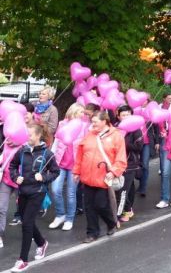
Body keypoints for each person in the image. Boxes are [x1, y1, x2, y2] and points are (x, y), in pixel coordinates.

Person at [9, 124, 59, 272]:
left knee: (26, 224)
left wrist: (43, 177)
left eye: (30, 135)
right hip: (23, 191)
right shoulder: (22, 151)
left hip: (37, 192)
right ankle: (42, 243)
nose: (27, 137)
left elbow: (56, 172)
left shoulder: (47, 154)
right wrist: (15, 177)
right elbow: (12, 166)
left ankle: (23, 260)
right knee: (27, 221)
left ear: (38, 136)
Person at [72, 111, 126, 243]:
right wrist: (76, 171)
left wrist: (113, 172)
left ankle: (111, 223)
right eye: (92, 121)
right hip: (88, 177)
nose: (92, 124)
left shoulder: (116, 136)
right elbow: (80, 155)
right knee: (89, 207)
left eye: (95, 121)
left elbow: (121, 158)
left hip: (104, 178)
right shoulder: (89, 135)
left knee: (101, 205)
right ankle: (92, 232)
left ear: (104, 121)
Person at [49, 103, 84, 231]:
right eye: (81, 112)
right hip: (60, 163)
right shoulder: (62, 124)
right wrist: (51, 159)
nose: (83, 115)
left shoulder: (83, 126)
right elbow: (56, 141)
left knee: (71, 193)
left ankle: (69, 218)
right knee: (55, 189)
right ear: (74, 112)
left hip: (74, 165)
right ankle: (60, 215)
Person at [114, 105, 142, 223]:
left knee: (123, 190)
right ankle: (129, 209)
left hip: (130, 163)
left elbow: (139, 147)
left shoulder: (136, 129)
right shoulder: (115, 127)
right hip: (117, 162)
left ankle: (121, 212)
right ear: (118, 116)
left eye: (128, 114)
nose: (125, 117)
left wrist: (124, 143)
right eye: (123, 115)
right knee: (127, 188)